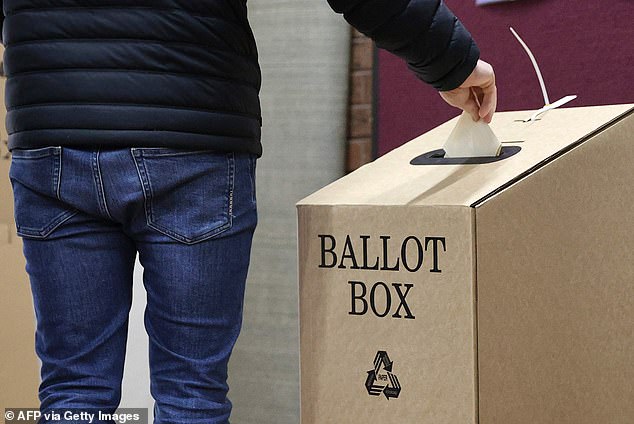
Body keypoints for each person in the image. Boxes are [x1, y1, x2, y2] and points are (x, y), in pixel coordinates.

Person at [1, 0, 495, 423]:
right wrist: (451, 62)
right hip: (192, 127)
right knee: (191, 391)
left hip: (53, 133)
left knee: (74, 391)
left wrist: (34, 50)